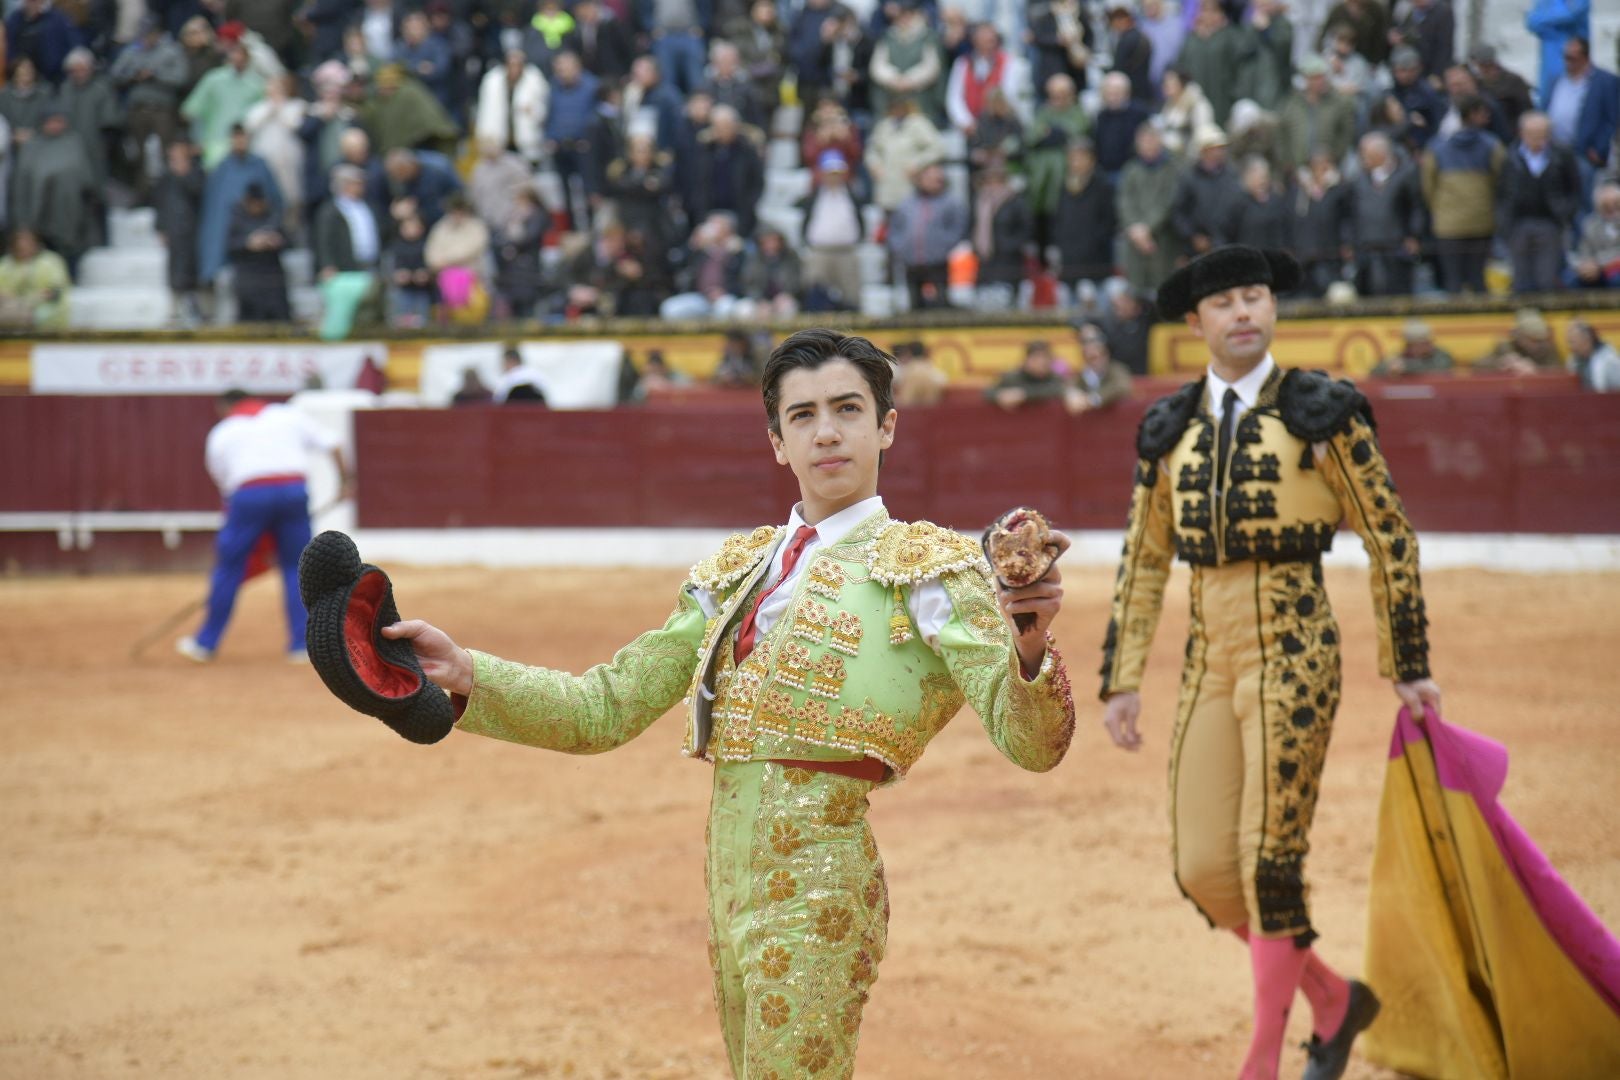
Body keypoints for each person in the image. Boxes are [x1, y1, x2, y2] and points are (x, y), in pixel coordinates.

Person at [379, 328, 1076, 1080]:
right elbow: (603, 709)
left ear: (887, 426)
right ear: (778, 440)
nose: (828, 432)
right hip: (725, 884)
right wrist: (465, 671)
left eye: (848, 408)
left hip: (823, 883)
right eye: (803, 416)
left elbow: (1031, 742)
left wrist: (1031, 650)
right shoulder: (735, 570)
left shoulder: (932, 571)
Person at [1101, 244, 1440, 1080]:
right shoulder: (1169, 427)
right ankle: (1332, 997)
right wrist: (1122, 676)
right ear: (1197, 324)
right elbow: (1145, 560)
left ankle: (1259, 1066)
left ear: (1273, 309)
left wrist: (1407, 658)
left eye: (1255, 297)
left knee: (1268, 862)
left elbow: (1389, 532)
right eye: (1225, 303)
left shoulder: (1322, 411)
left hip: (1294, 647)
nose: (1244, 311)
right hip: (1210, 657)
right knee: (1205, 870)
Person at [178, 389, 352, 663]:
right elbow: (334, 443)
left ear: (226, 407)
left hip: (249, 495)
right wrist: (345, 483)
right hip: (294, 490)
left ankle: (205, 643)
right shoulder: (289, 416)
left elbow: (226, 486)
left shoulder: (223, 431)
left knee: (229, 567)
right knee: (297, 567)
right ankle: (301, 645)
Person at [1420, 96, 1504, 294]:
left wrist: (1441, 209)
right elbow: (1501, 181)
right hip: (1482, 221)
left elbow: (1427, 186)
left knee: (1453, 281)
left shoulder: (1436, 147)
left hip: (1448, 224)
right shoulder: (1492, 145)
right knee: (1478, 279)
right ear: (1473, 114)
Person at [1499, 111, 1581, 294]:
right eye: (1533, 135)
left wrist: (1565, 212)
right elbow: (1501, 192)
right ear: (1522, 134)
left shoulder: (1562, 154)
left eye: (1543, 135)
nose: (1538, 140)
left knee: (1547, 279)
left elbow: (1574, 189)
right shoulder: (1509, 157)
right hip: (1518, 223)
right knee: (1521, 281)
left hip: (1550, 222)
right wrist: (1505, 222)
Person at [1344, 132, 1424, 297]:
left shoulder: (1406, 174)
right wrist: (1349, 240)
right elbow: (1350, 214)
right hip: (1365, 246)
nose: (1361, 157)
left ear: (1380, 153)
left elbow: (1416, 207)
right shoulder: (1358, 180)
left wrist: (1414, 235)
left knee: (1397, 291)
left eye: (1364, 152)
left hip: (1396, 245)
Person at [1544, 36, 1619, 206]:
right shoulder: (1558, 80)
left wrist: (1599, 149)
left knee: (1584, 200)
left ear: (1585, 57)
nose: (1567, 62)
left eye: (1571, 57)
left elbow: (1612, 118)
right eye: (1565, 57)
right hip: (1556, 151)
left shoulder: (1605, 81)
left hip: (1584, 153)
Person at [887, 161, 968, 309]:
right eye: (929, 178)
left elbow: (958, 228)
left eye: (937, 179)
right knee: (915, 302)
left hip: (937, 261)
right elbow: (895, 228)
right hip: (911, 260)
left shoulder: (951, 202)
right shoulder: (907, 203)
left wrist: (943, 246)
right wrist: (900, 247)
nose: (934, 183)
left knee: (941, 300)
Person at [799, 149, 866, 311]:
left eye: (837, 172)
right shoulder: (814, 196)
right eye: (830, 172)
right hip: (820, 251)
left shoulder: (852, 195)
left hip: (846, 251)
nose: (833, 177)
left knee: (851, 295)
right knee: (816, 293)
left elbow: (860, 221)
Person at [154, 141, 205, 326]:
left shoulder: (196, 173)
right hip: (174, 231)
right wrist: (160, 228)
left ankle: (199, 312)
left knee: (195, 272)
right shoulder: (165, 177)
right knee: (175, 273)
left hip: (193, 232)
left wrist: (185, 174)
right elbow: (159, 204)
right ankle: (175, 313)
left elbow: (200, 194)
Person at [226, 183, 291, 323]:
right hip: (248, 277)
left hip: (273, 276)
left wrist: (275, 241)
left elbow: (288, 240)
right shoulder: (237, 217)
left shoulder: (273, 215)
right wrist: (248, 243)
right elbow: (230, 245)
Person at [0, 227, 69, 329]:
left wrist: (31, 300)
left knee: (23, 315)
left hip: (42, 307)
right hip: (10, 306)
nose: (22, 245)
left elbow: (56, 291)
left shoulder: (50, 261)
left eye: (27, 241)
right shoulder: (5, 264)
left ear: (36, 244)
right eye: (19, 241)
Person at [1067, 323, 1133, 413]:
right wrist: (1073, 394)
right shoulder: (1083, 374)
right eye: (1085, 342)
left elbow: (1121, 386)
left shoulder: (1117, 369)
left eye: (1098, 356)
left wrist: (1092, 400)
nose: (1091, 347)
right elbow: (1068, 386)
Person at [985, 340, 1068, 409]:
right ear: (1027, 360)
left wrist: (1023, 394)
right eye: (1036, 358)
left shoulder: (1055, 378)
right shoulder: (1012, 377)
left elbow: (1059, 389)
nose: (1041, 362)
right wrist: (1000, 396)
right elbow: (988, 392)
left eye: (1045, 358)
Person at [1568, 179, 1620, 287]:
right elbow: (1584, 250)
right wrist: (1585, 266)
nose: (1611, 209)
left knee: (1616, 280)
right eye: (1606, 206)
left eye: (1615, 204)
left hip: (1613, 268)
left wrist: (1598, 264)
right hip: (1595, 270)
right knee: (1571, 280)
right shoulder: (1590, 224)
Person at [1478, 308, 1561, 374]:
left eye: (1540, 340)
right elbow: (1478, 366)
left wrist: (1535, 370)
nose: (1537, 345)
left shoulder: (1547, 347)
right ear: (1519, 336)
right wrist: (1500, 365)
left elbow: (1559, 371)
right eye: (1532, 339)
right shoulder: (1505, 346)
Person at [1371, 319, 1455, 376]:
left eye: (1427, 343)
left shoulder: (1442, 356)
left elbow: (1439, 367)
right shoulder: (1402, 356)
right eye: (1419, 344)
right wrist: (1390, 368)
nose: (1428, 346)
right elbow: (1375, 371)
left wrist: (1405, 367)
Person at [1566, 319, 1620, 392]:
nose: (1570, 347)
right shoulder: (1573, 361)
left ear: (1586, 340)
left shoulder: (1609, 360)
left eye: (1573, 342)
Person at [891, 339, 947, 407]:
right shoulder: (932, 369)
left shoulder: (906, 370)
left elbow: (905, 399)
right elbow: (943, 381)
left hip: (910, 410)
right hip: (931, 409)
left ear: (908, 353)